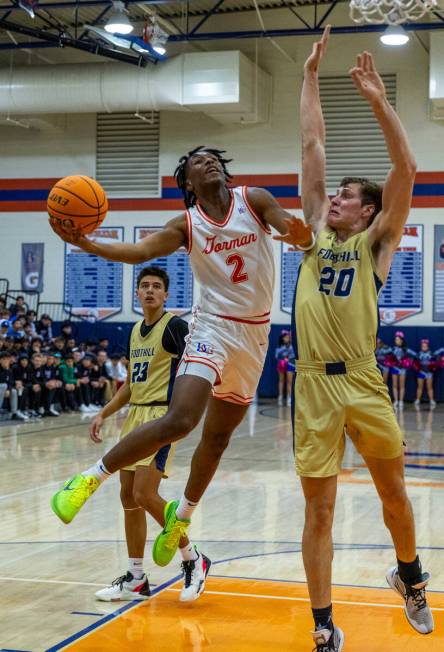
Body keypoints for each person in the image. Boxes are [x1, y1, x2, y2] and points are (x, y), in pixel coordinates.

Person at [49, 144, 309, 568]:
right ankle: (88, 479)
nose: (207, 162)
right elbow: (140, 252)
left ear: (223, 170)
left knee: (218, 438)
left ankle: (180, 520)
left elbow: (288, 226)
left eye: (213, 158)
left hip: (255, 335)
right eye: (195, 162)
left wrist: (301, 236)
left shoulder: (254, 199)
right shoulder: (187, 224)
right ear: (188, 182)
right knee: (182, 419)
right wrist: (88, 244)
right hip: (210, 326)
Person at [289, 26, 433, 651]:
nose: (336, 200)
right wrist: (311, 76)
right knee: (317, 511)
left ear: (367, 212)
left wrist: (378, 98)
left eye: (347, 196)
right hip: (313, 384)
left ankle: (411, 578)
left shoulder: (376, 243)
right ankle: (323, 626)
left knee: (395, 498)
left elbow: (407, 168)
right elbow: (312, 140)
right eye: (337, 194)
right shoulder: (318, 233)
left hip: (364, 379)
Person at [91, 266, 210, 603]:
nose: (150, 291)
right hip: (135, 417)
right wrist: (104, 412)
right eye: (144, 286)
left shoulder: (175, 327)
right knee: (128, 497)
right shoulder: (133, 331)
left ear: (167, 294)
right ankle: (136, 577)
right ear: (137, 293)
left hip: (161, 417)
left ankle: (192, 558)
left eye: (157, 286)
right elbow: (131, 384)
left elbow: (198, 365)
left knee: (145, 493)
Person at [390, 331, 415, 409]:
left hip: (402, 369)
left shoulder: (405, 349)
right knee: (394, 385)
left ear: (401, 340)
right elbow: (387, 355)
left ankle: (401, 401)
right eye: (395, 339)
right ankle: (396, 400)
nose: (396, 341)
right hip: (394, 368)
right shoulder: (393, 348)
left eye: (397, 339)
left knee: (401, 385)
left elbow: (415, 355)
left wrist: (408, 361)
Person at [414, 339, 437, 410]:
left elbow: (435, 362)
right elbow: (415, 362)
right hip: (421, 372)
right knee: (419, 387)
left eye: (425, 346)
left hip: (429, 373)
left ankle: (431, 400)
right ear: (421, 346)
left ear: (427, 346)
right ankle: (417, 399)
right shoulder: (419, 354)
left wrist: (433, 367)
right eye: (422, 346)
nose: (424, 347)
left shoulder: (431, 354)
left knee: (429, 387)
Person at [274, 329, 295, 406]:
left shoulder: (292, 346)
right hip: (282, 364)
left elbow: (293, 355)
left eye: (288, 337)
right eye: (285, 337)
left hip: (290, 364)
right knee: (281, 380)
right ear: (282, 338)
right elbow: (276, 356)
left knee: (289, 382)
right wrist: (283, 359)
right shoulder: (280, 347)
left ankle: (289, 398)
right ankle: (280, 396)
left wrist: (288, 358)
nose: (287, 338)